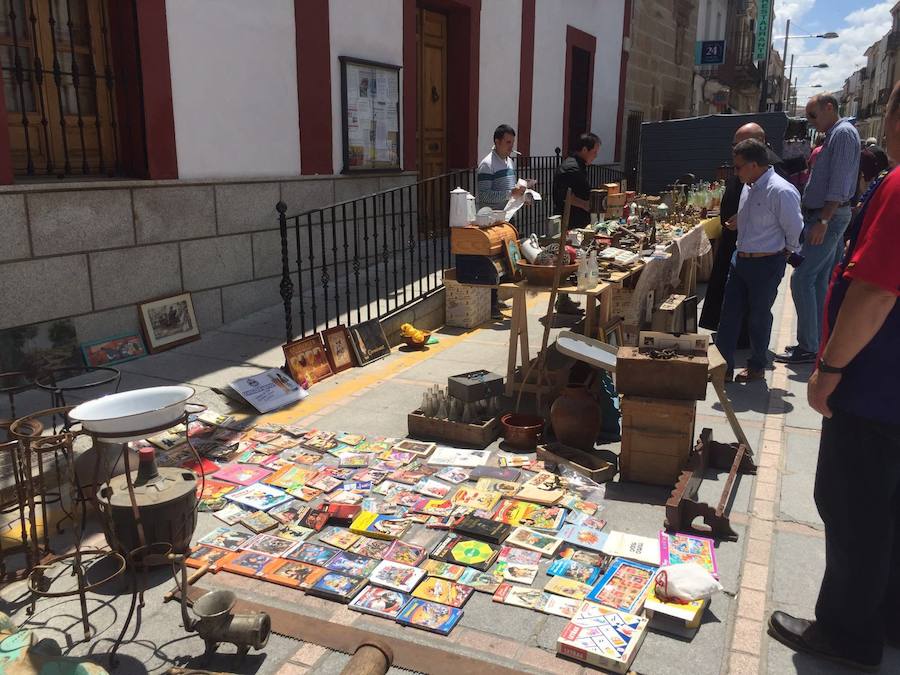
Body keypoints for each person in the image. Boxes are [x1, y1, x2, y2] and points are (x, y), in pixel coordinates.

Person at [767, 80, 900, 673]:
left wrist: (830, 369)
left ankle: (847, 630)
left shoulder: (898, 186)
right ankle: (885, 616)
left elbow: (873, 292)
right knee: (885, 511)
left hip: (875, 392)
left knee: (853, 508)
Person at [777, 95, 860, 365]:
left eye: (813, 115)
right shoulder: (838, 134)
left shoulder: (843, 134)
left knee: (802, 279)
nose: (812, 122)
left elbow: (839, 181)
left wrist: (823, 221)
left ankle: (809, 345)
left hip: (828, 217)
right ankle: (817, 342)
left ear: (829, 108)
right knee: (820, 280)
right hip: (827, 216)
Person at [714, 139, 803, 382]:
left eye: (738, 167)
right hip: (740, 259)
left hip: (765, 264)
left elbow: (794, 227)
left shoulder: (781, 190)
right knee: (729, 315)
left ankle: (756, 365)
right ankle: (723, 368)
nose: (735, 172)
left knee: (758, 316)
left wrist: (788, 251)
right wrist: (739, 221)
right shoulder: (749, 186)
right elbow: (757, 216)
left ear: (754, 165)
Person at [699, 122, 784, 334]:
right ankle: (728, 335)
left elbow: (774, 209)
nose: (735, 148)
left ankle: (745, 341)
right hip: (735, 239)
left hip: (753, 247)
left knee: (750, 300)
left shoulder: (770, 170)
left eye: (741, 143)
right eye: (734, 144)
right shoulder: (745, 163)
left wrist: (746, 217)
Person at [550, 132, 602, 315]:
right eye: (594, 152)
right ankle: (562, 300)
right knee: (567, 260)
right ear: (584, 149)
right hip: (569, 222)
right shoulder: (571, 168)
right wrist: (587, 205)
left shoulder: (577, 165)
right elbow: (565, 196)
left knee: (577, 259)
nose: (596, 156)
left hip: (576, 221)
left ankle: (567, 298)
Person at [477, 124, 524, 318]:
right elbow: (484, 196)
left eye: (512, 142)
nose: (511, 146)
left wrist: (522, 194)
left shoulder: (509, 161)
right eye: (507, 142)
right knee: (492, 263)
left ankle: (497, 298)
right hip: (491, 220)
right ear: (496, 142)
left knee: (505, 262)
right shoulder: (487, 164)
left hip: (505, 217)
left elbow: (510, 189)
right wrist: (509, 193)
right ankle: (491, 303)